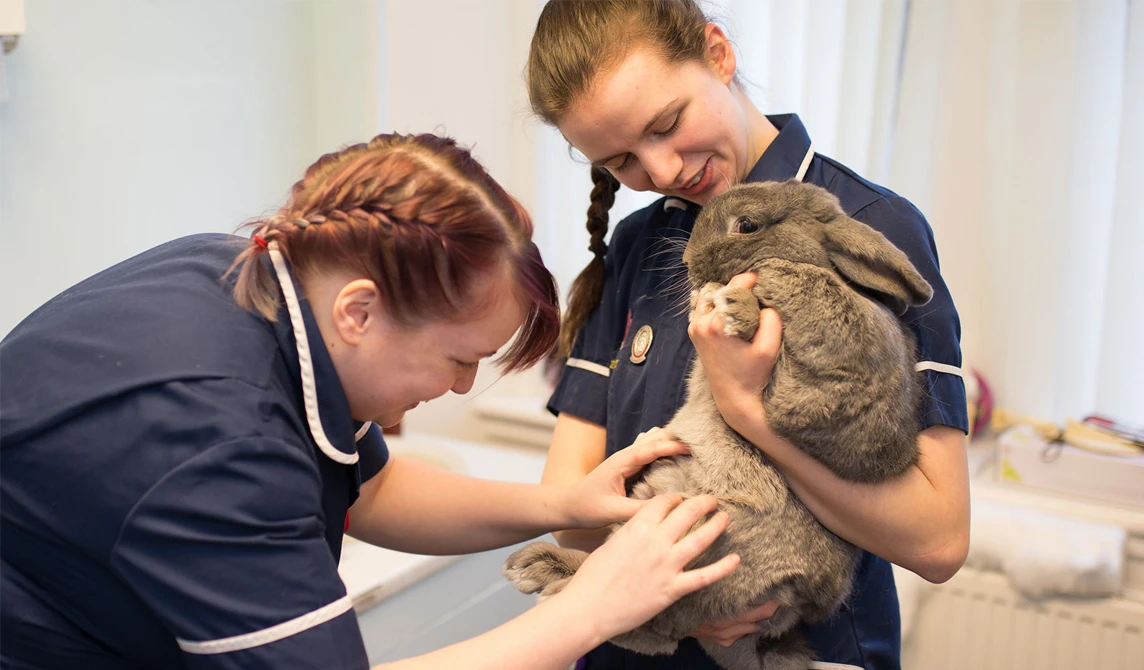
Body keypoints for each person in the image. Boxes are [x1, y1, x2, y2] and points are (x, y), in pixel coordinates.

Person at [0, 132, 743, 670]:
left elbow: (372, 488)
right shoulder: (221, 446)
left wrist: (563, 507)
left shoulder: (241, 266)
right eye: (460, 358)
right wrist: (592, 610)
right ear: (359, 312)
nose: (458, 386)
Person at [527, 1, 971, 668]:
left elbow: (938, 540)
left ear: (718, 53)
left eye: (668, 124)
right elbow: (573, 509)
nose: (666, 170)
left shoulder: (868, 227)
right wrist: (683, 598)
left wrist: (747, 412)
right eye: (624, 160)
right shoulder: (639, 244)